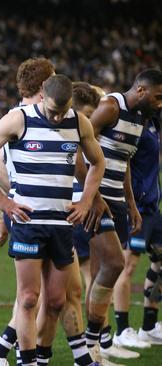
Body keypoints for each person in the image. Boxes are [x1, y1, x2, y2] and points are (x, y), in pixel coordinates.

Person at [0, 75, 105, 366]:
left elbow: (98, 162)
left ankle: (39, 359)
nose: (57, 116)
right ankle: (26, 361)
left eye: (63, 110)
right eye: (53, 110)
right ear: (42, 95)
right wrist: (2, 202)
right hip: (28, 224)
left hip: (62, 224)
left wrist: (86, 199)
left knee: (56, 301)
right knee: (29, 298)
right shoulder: (19, 119)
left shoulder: (79, 122)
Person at [80, 69, 162, 357]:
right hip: (96, 200)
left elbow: (125, 160)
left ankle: (95, 350)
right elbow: (81, 148)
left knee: (98, 271)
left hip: (116, 201)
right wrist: (92, 196)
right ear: (141, 90)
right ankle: (91, 346)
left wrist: (131, 203)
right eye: (158, 96)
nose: (161, 103)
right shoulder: (111, 107)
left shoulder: (141, 119)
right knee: (114, 264)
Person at [130, 110, 162, 346]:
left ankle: (149, 327)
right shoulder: (135, 125)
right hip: (138, 208)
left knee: (159, 260)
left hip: (152, 208)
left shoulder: (153, 124)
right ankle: (118, 332)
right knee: (127, 266)